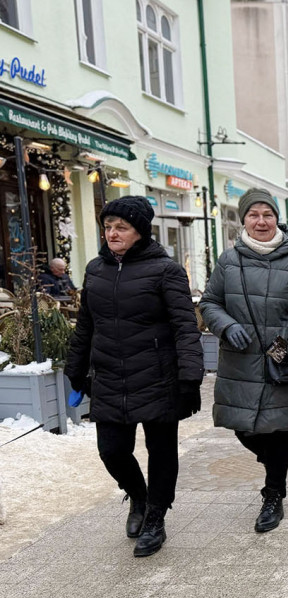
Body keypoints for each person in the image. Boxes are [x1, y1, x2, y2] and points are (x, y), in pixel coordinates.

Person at [65, 196, 204, 557]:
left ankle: (156, 516)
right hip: (110, 376)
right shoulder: (96, 269)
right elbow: (86, 325)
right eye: (108, 226)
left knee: (161, 451)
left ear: (140, 231)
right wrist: (75, 367)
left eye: (121, 227)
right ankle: (138, 497)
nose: (112, 233)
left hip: (158, 376)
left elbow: (185, 327)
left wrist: (190, 377)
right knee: (111, 451)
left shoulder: (166, 270)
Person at [200, 189, 288, 531]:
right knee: (243, 427)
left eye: (267, 214)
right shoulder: (229, 261)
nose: (261, 221)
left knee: (277, 427)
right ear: (243, 220)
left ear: (276, 219)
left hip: (281, 358)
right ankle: (274, 465)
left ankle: (274, 494)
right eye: (253, 215)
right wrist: (226, 325)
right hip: (239, 360)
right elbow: (210, 302)